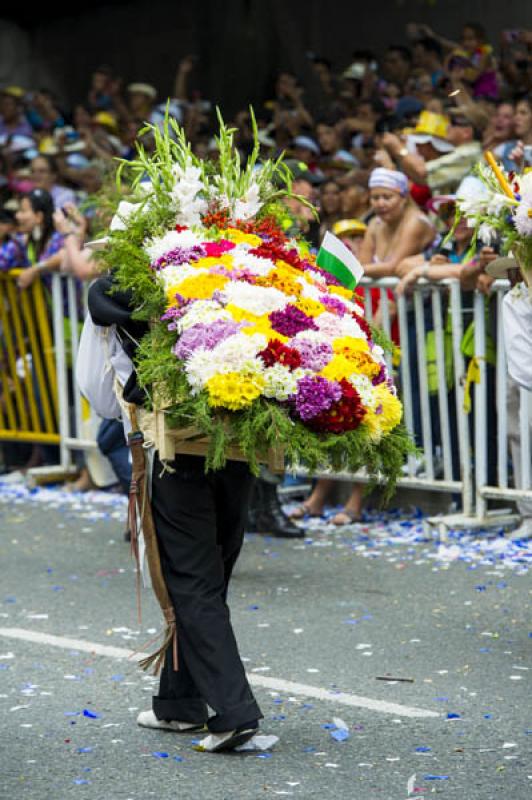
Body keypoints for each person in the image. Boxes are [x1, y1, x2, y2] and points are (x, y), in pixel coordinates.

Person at [87, 276, 263, 752]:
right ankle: (180, 703)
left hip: (174, 446)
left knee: (191, 580)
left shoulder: (117, 291)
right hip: (242, 443)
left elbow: (99, 393)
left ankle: (233, 710)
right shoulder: (249, 280)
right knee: (211, 574)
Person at [359, 167, 435, 279]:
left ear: (403, 199)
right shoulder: (375, 223)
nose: (380, 203)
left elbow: (393, 268)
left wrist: (351, 270)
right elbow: (363, 263)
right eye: (375, 198)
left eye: (387, 197)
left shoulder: (416, 222)